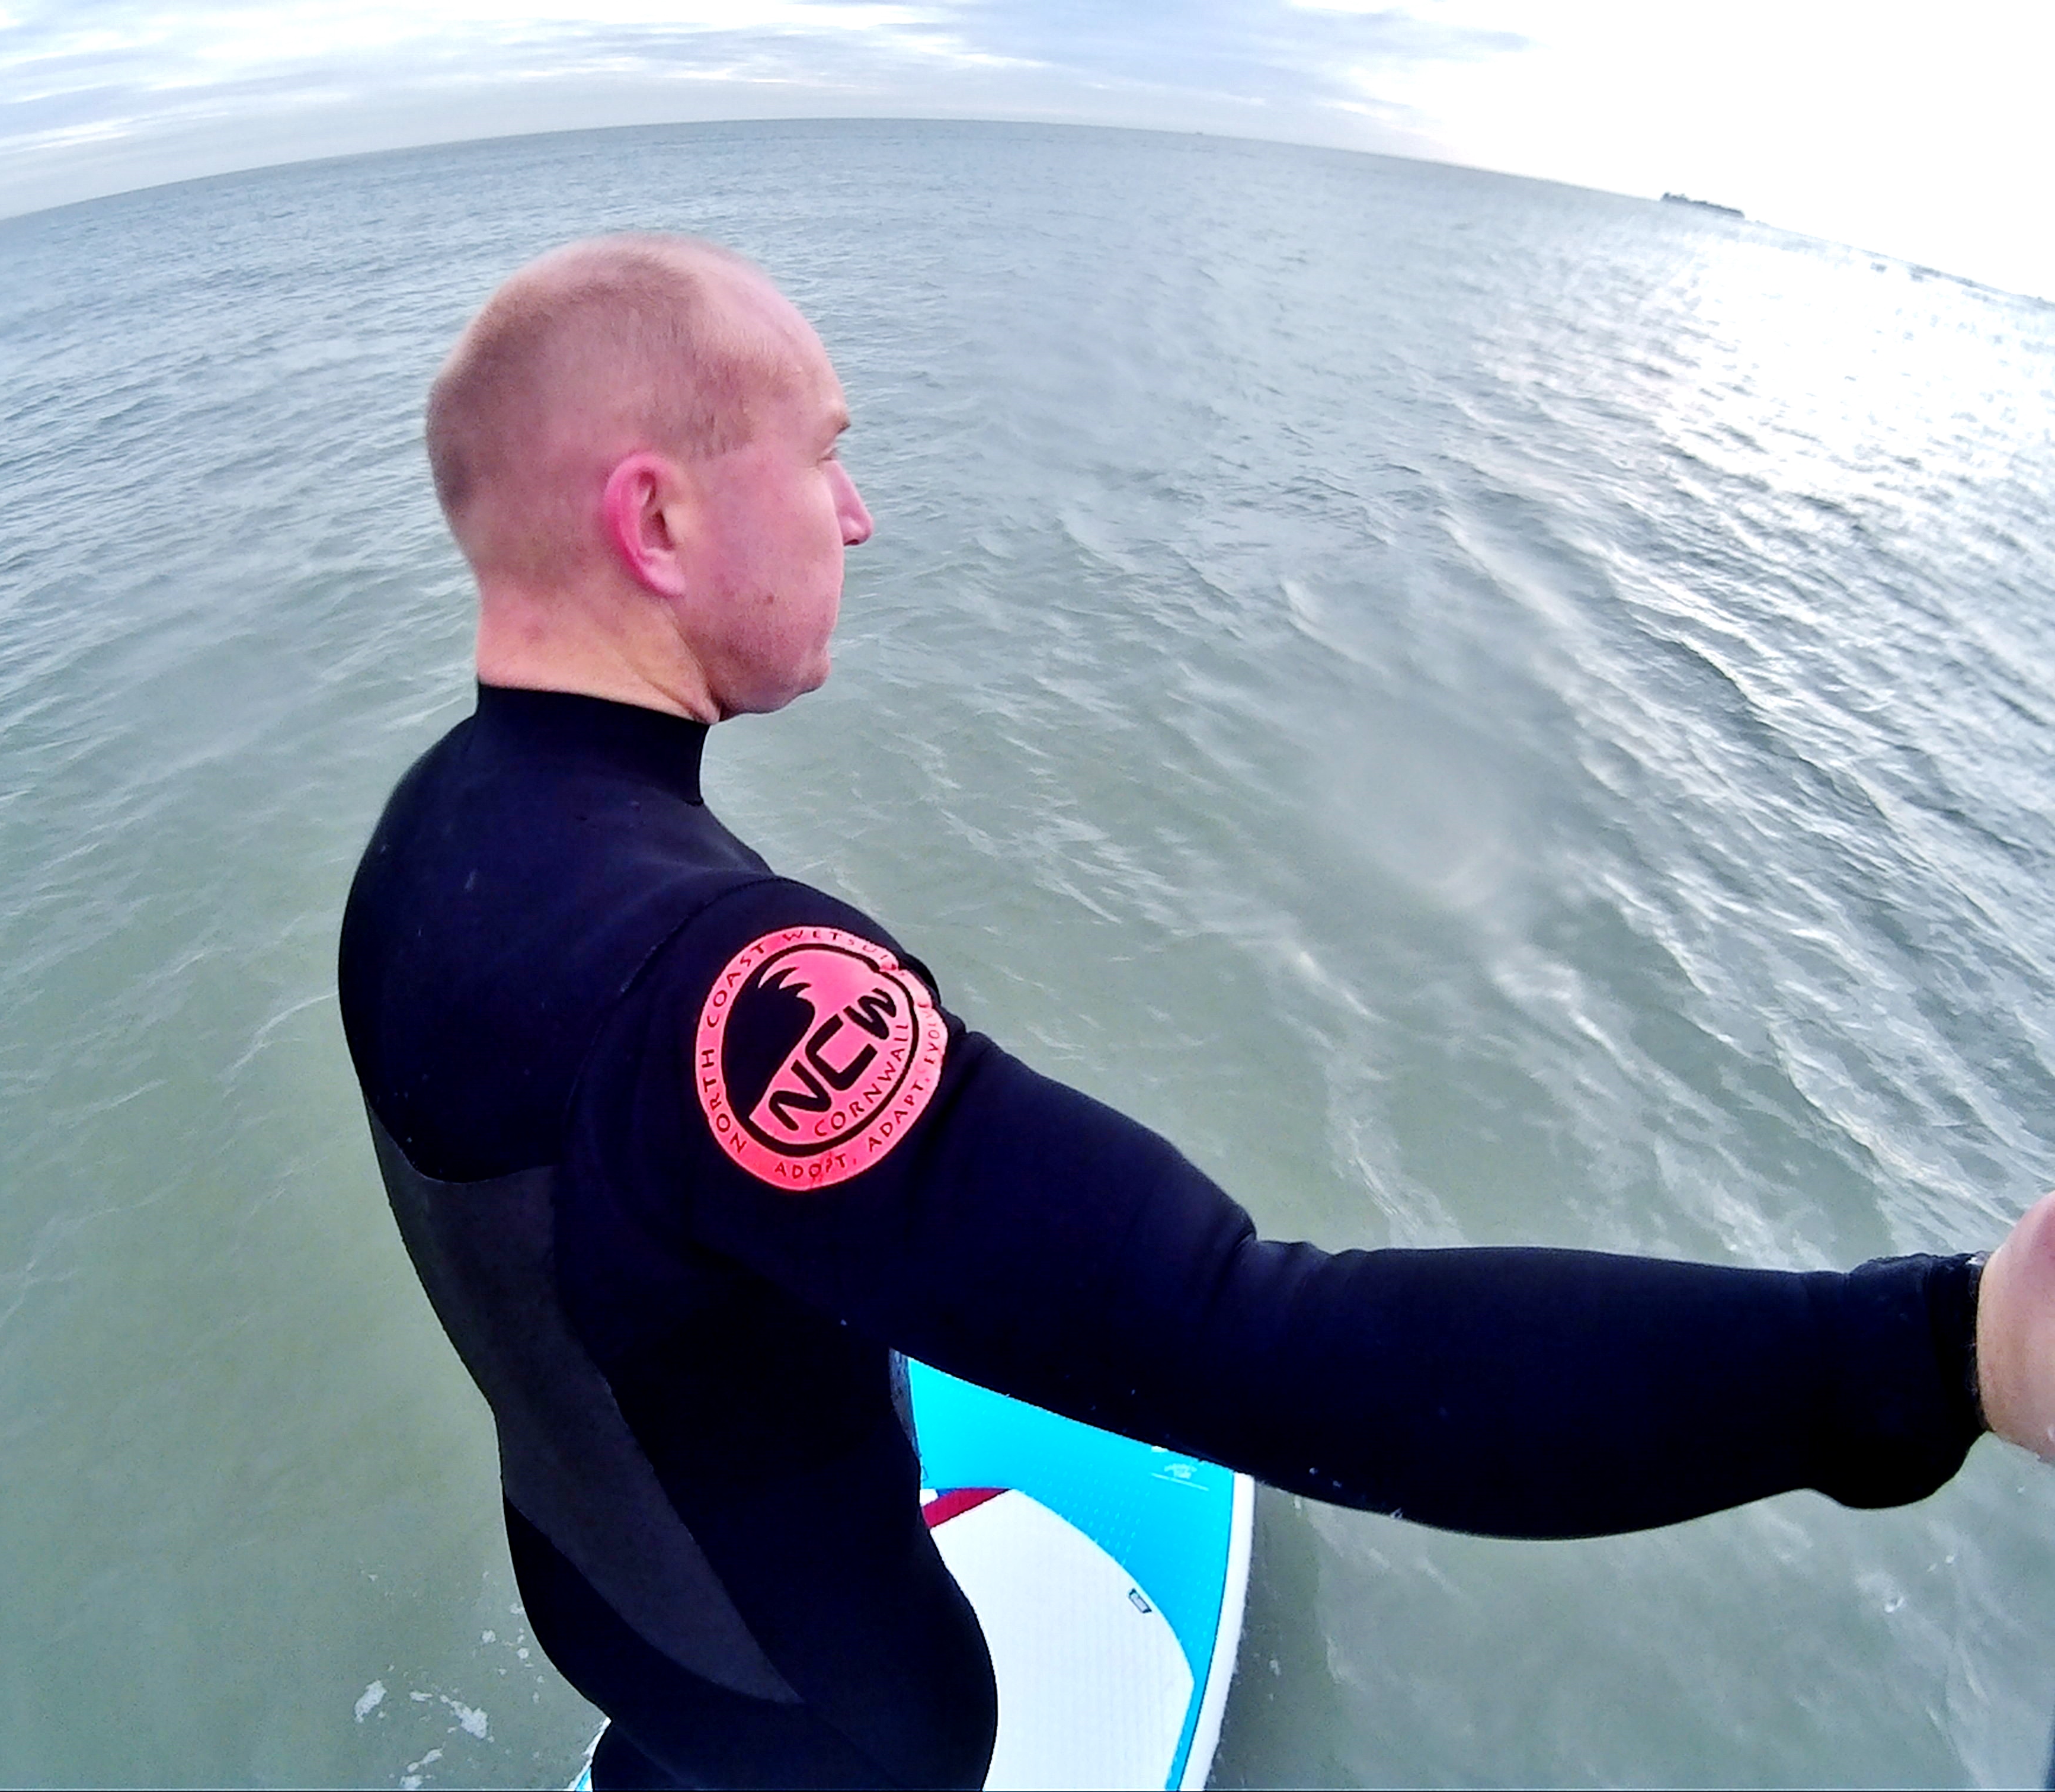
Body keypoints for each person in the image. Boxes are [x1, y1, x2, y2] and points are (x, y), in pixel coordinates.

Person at [338, 232, 2055, 1791]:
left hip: (615, 1620)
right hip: (840, 1732)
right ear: (658, 524)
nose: (857, 516)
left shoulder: (427, 836)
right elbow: (1266, 1347)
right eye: (826, 452)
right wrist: (1945, 1352)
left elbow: (600, 1249)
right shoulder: (715, 980)